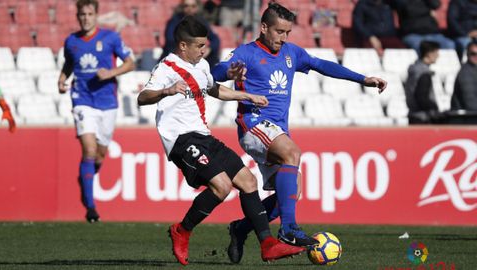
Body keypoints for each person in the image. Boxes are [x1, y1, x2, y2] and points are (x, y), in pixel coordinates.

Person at [211, 2, 387, 264]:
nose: (283, 38)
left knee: (290, 194)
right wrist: (226, 73)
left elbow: (322, 65)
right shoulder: (245, 53)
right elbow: (212, 75)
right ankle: (289, 229)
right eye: (279, 31)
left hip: (277, 130)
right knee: (293, 153)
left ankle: (241, 229)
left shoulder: (292, 52)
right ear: (264, 28)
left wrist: (362, 79)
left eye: (287, 33)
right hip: (253, 124)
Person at [137, 16, 305, 266]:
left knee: (248, 182)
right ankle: (182, 230)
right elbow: (143, 97)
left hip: (203, 135)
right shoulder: (166, 68)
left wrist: (247, 95)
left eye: (205, 45)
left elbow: (214, 89)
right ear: (183, 46)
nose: (205, 50)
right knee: (222, 186)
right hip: (180, 139)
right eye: (199, 46)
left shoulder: (202, 65)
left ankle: (267, 245)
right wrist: (166, 91)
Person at [58, 0, 135, 223]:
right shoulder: (71, 41)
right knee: (89, 150)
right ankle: (91, 208)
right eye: (82, 14)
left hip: (107, 103)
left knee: (100, 154)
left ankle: (86, 180)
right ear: (77, 16)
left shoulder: (110, 38)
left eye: (89, 14)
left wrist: (111, 73)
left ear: (96, 15)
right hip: (82, 100)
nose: (85, 18)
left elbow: (130, 63)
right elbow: (69, 64)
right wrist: (62, 79)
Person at [159, 0, 221, 67]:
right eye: (186, 6)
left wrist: (209, 48)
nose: (189, 9)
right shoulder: (174, 21)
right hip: (179, 53)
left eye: (193, 6)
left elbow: (214, 38)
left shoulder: (201, 21)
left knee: (212, 57)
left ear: (197, 7)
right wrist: (191, 48)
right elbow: (170, 40)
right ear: (182, 7)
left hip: (194, 53)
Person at [389, 0, 455, 53]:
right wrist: (425, 9)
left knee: (449, 44)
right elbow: (408, 9)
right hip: (413, 34)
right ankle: (422, 68)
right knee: (421, 48)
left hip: (432, 33)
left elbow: (436, 4)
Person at [404, 41, 441, 124]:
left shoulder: (415, 70)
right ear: (429, 54)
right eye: (436, 52)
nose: (438, 56)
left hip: (414, 115)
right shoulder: (423, 73)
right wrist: (434, 111)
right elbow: (422, 98)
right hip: (423, 118)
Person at [451, 40, 477, 111]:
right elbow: (470, 103)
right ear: (467, 54)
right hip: (467, 118)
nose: (476, 56)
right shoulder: (465, 74)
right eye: (473, 54)